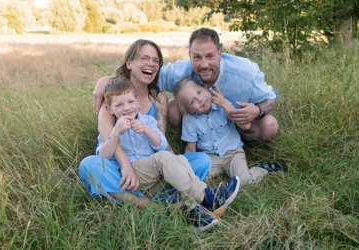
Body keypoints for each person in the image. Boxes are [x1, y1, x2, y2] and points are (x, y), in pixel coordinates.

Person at [79, 79, 241, 231]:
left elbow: (161, 144)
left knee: (183, 160)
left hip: (153, 181)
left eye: (130, 102)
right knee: (163, 157)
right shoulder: (112, 128)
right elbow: (103, 156)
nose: (127, 108)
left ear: (137, 101)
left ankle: (193, 212)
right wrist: (115, 133)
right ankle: (204, 195)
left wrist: (146, 130)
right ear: (110, 109)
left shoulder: (148, 121)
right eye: (119, 105)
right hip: (132, 177)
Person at [93, 28, 279, 146]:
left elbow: (270, 98)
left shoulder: (245, 72)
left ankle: (246, 150)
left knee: (270, 126)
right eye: (197, 57)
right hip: (202, 126)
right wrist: (108, 79)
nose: (204, 64)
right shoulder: (179, 72)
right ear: (189, 55)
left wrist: (258, 110)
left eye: (210, 56)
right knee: (173, 110)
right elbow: (144, 75)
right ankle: (198, 144)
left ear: (220, 53)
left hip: (238, 122)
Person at [93, 39, 211, 197]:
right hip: (119, 167)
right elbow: (107, 138)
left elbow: (160, 143)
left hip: (152, 166)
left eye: (156, 61)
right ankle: (157, 199)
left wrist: (175, 162)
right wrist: (126, 166)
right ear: (129, 63)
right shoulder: (111, 95)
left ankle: (164, 190)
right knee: (90, 165)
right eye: (144, 58)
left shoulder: (160, 100)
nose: (151, 64)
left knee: (202, 160)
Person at [174, 78, 269, 186]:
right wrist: (186, 168)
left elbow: (245, 126)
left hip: (233, 152)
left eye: (199, 92)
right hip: (210, 158)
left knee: (244, 181)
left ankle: (260, 170)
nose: (200, 99)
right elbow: (190, 148)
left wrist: (225, 105)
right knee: (195, 182)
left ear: (206, 88)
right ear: (190, 109)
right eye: (192, 101)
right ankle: (221, 190)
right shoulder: (189, 120)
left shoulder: (224, 104)